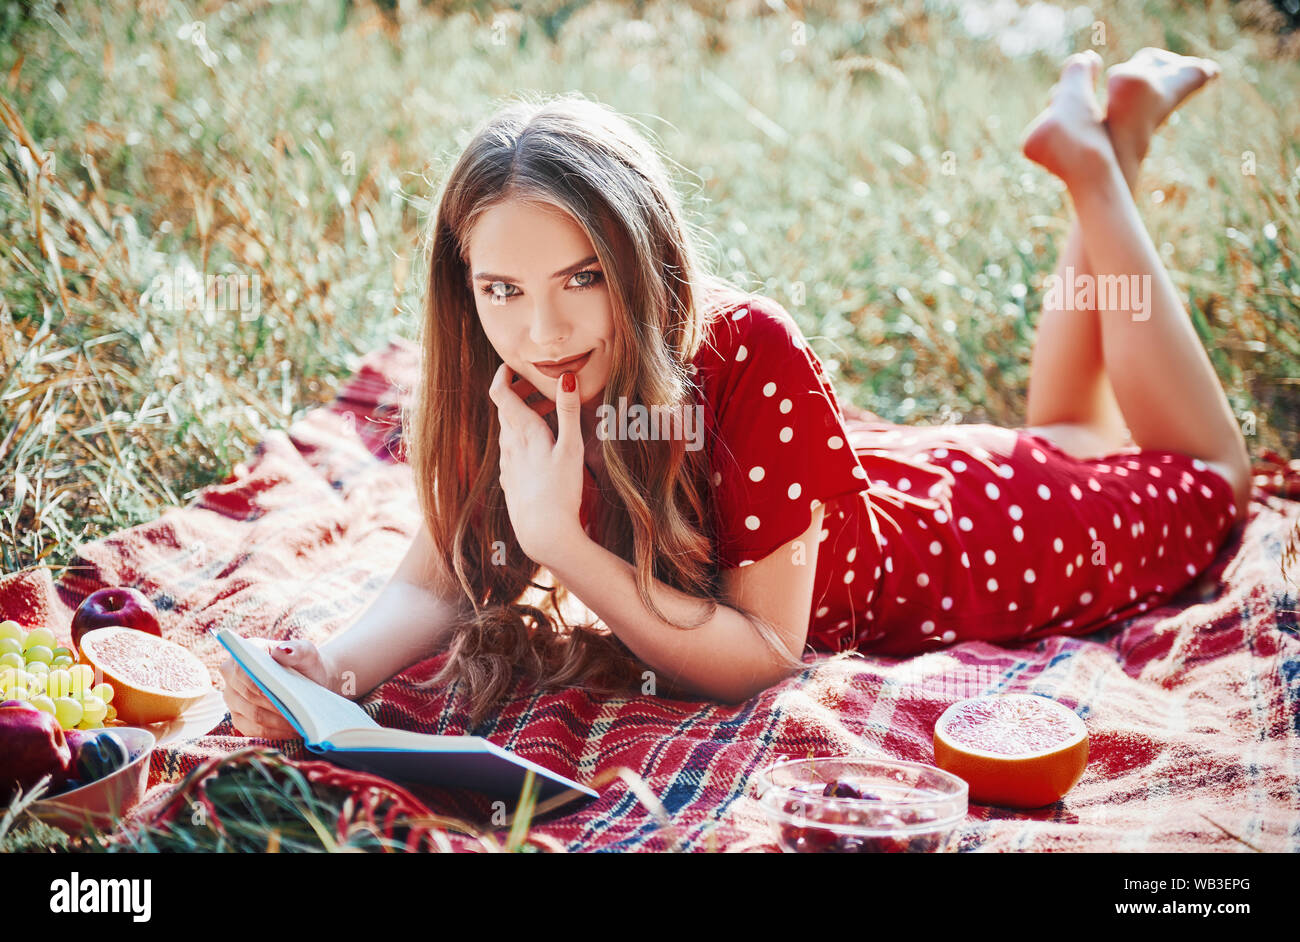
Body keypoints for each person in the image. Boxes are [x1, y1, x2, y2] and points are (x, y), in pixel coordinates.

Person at [221, 49, 1250, 737]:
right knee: (1072, 427)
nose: (544, 331)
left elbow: (761, 659)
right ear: (467, 288)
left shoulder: (747, 345)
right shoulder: (510, 377)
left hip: (972, 554)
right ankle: (1103, 137)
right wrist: (327, 668)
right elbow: (437, 579)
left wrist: (564, 546)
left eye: (584, 279)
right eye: (503, 289)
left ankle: (1094, 167)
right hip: (905, 487)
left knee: (1212, 481)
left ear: (642, 253)